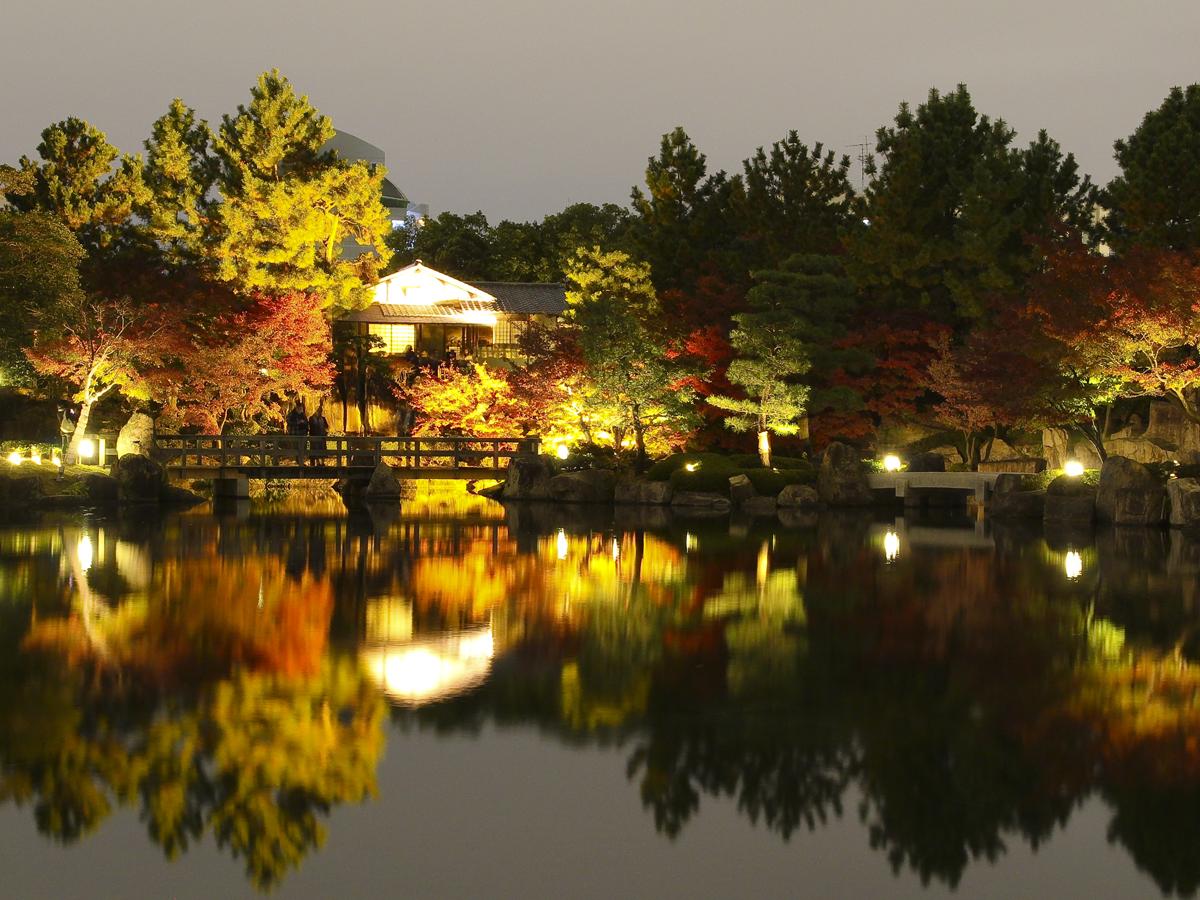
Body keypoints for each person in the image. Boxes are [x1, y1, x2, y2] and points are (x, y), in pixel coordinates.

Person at [286, 398, 309, 465]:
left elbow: (306, 422)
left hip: (303, 433)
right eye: (300, 408)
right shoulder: (292, 414)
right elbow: (288, 421)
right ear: (297, 408)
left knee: (303, 448)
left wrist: (304, 423)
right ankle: (299, 461)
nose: (301, 410)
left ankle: (301, 461)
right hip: (295, 434)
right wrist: (297, 422)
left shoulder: (303, 415)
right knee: (297, 448)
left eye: (301, 408)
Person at [56, 403, 76, 480]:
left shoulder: (58, 412)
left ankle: (63, 457)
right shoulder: (69, 410)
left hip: (62, 430)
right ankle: (66, 459)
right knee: (68, 445)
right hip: (69, 430)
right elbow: (73, 418)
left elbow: (60, 422)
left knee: (64, 445)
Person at [307, 400, 330, 466]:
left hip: (322, 436)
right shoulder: (311, 418)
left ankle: (322, 462)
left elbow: (326, 426)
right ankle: (317, 462)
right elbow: (311, 427)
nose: (320, 412)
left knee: (322, 449)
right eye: (319, 411)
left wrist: (325, 432)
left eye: (320, 411)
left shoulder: (323, 418)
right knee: (315, 449)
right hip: (315, 436)